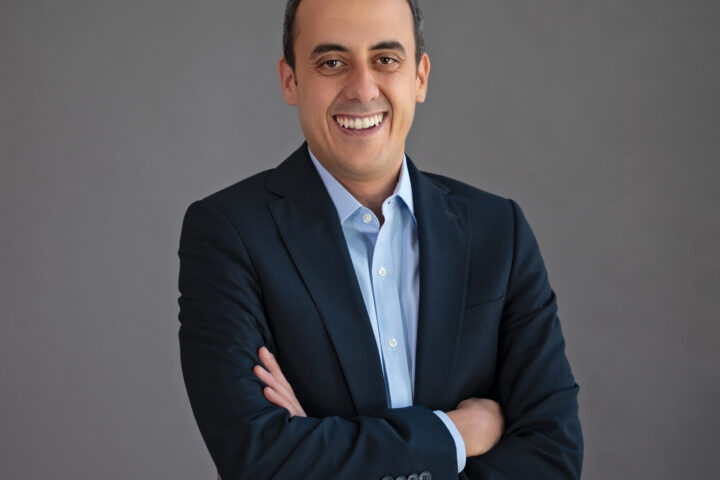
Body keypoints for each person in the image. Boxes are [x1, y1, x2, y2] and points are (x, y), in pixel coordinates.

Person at [177, 0, 583, 478]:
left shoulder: (499, 231)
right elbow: (260, 459)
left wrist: (319, 447)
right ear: (290, 81)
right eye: (332, 62)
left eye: (385, 59)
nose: (362, 89)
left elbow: (552, 458)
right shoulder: (228, 235)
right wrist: (453, 434)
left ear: (420, 77)